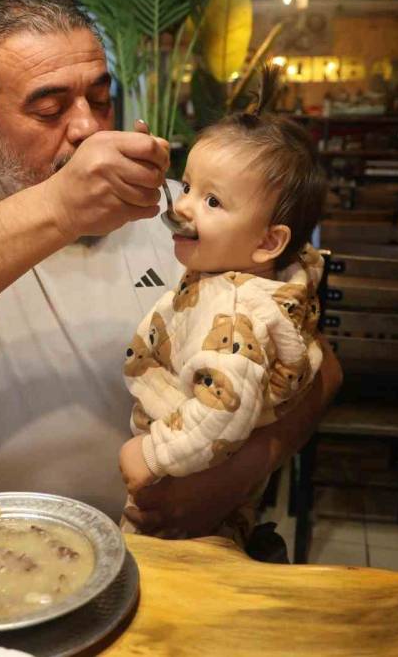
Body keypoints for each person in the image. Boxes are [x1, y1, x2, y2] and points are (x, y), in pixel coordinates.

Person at [0, 0, 342, 538]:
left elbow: (318, 366)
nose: (86, 128)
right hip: (0, 546)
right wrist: (59, 208)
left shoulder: (187, 211)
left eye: (100, 99)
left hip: (176, 551)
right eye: (49, 109)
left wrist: (240, 470)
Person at [119, 72, 327, 545]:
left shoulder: (232, 311)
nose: (185, 206)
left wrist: (151, 455)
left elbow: (222, 413)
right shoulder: (263, 279)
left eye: (213, 201)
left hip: (182, 479)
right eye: (188, 186)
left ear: (267, 242)